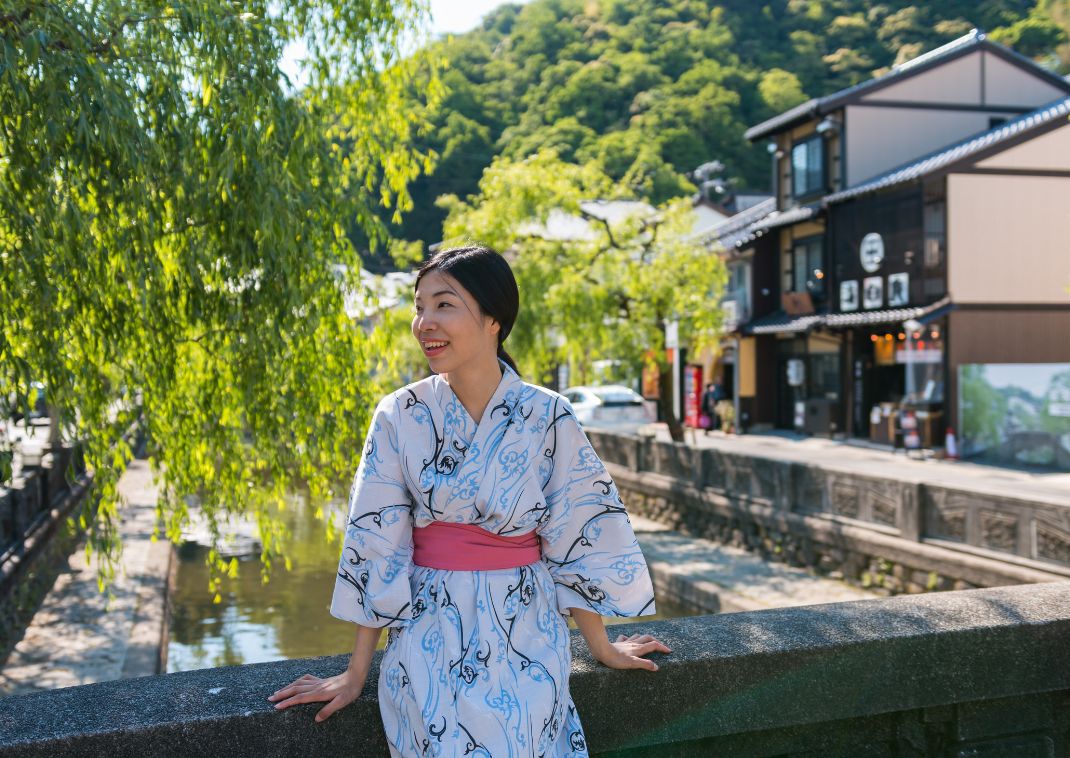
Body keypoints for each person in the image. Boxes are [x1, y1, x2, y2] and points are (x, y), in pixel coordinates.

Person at [269, 245, 670, 756]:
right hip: (427, 630)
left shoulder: (548, 415)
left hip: (527, 629)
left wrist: (602, 648)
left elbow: (576, 536)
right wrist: (354, 674)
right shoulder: (400, 414)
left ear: (493, 320)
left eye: (444, 305)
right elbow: (378, 541)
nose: (424, 323)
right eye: (419, 306)